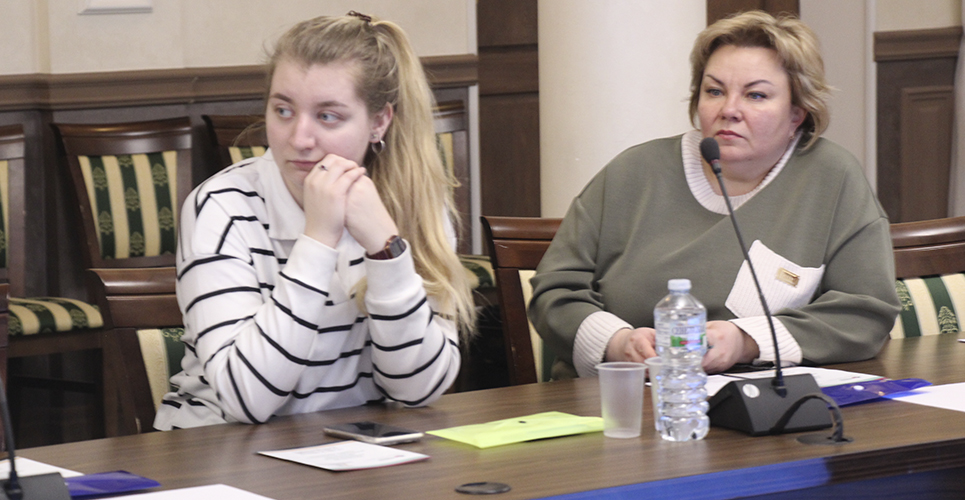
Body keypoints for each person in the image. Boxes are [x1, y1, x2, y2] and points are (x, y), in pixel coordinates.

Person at [528, 11, 901, 379]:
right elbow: (555, 291)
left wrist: (746, 341)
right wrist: (618, 343)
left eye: (755, 95)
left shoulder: (832, 178)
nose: (729, 110)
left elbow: (866, 313)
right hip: (626, 395)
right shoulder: (633, 173)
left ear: (797, 114)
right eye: (714, 91)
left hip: (765, 402)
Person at [154, 12, 474, 429]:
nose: (299, 139)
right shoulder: (221, 206)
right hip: (217, 446)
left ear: (379, 122)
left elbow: (416, 390)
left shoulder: (415, 205)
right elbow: (246, 399)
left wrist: (386, 251)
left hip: (352, 449)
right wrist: (318, 241)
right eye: (283, 110)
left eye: (327, 116)